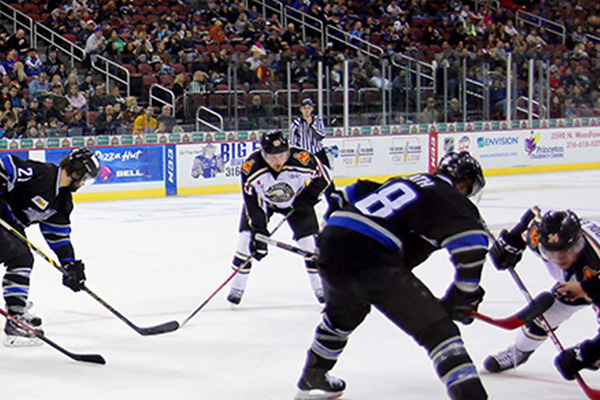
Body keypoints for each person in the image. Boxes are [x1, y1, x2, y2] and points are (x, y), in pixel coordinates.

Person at [294, 151, 489, 400]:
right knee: (439, 332)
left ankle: (313, 377)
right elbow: (472, 245)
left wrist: (332, 233)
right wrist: (463, 294)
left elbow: (345, 194)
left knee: (343, 315)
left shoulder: (404, 181)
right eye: (469, 188)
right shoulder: (450, 195)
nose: (468, 194)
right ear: (463, 182)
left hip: (333, 244)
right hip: (371, 255)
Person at [483, 208, 600, 381]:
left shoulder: (595, 262)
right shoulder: (538, 233)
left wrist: (587, 353)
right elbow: (536, 212)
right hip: (581, 282)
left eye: (564, 251)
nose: (558, 258)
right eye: (550, 252)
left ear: (579, 243)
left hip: (592, 281)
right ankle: (520, 351)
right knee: (542, 319)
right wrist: (512, 241)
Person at [0, 147, 100, 346]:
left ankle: (16, 308)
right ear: (77, 171)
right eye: (85, 178)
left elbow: (58, 236)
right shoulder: (43, 174)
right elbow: (7, 164)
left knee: (21, 257)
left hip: (11, 226)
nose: (83, 183)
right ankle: (15, 316)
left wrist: (69, 265)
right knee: (21, 257)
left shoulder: (62, 201)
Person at [226, 131, 331, 306]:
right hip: (264, 204)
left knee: (311, 247)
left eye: (282, 155)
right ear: (263, 154)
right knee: (245, 241)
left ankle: (320, 289)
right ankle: (236, 288)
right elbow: (252, 203)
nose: (278, 161)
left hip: (296, 202)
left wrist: (307, 198)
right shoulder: (251, 167)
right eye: (272, 157)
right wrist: (259, 232)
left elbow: (324, 177)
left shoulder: (302, 158)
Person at [289, 97, 328, 169]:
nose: (307, 110)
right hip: (304, 155)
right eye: (304, 108)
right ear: (301, 109)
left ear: (312, 109)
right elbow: (293, 143)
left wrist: (311, 124)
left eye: (309, 108)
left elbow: (321, 136)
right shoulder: (296, 124)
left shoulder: (317, 120)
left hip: (318, 152)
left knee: (325, 173)